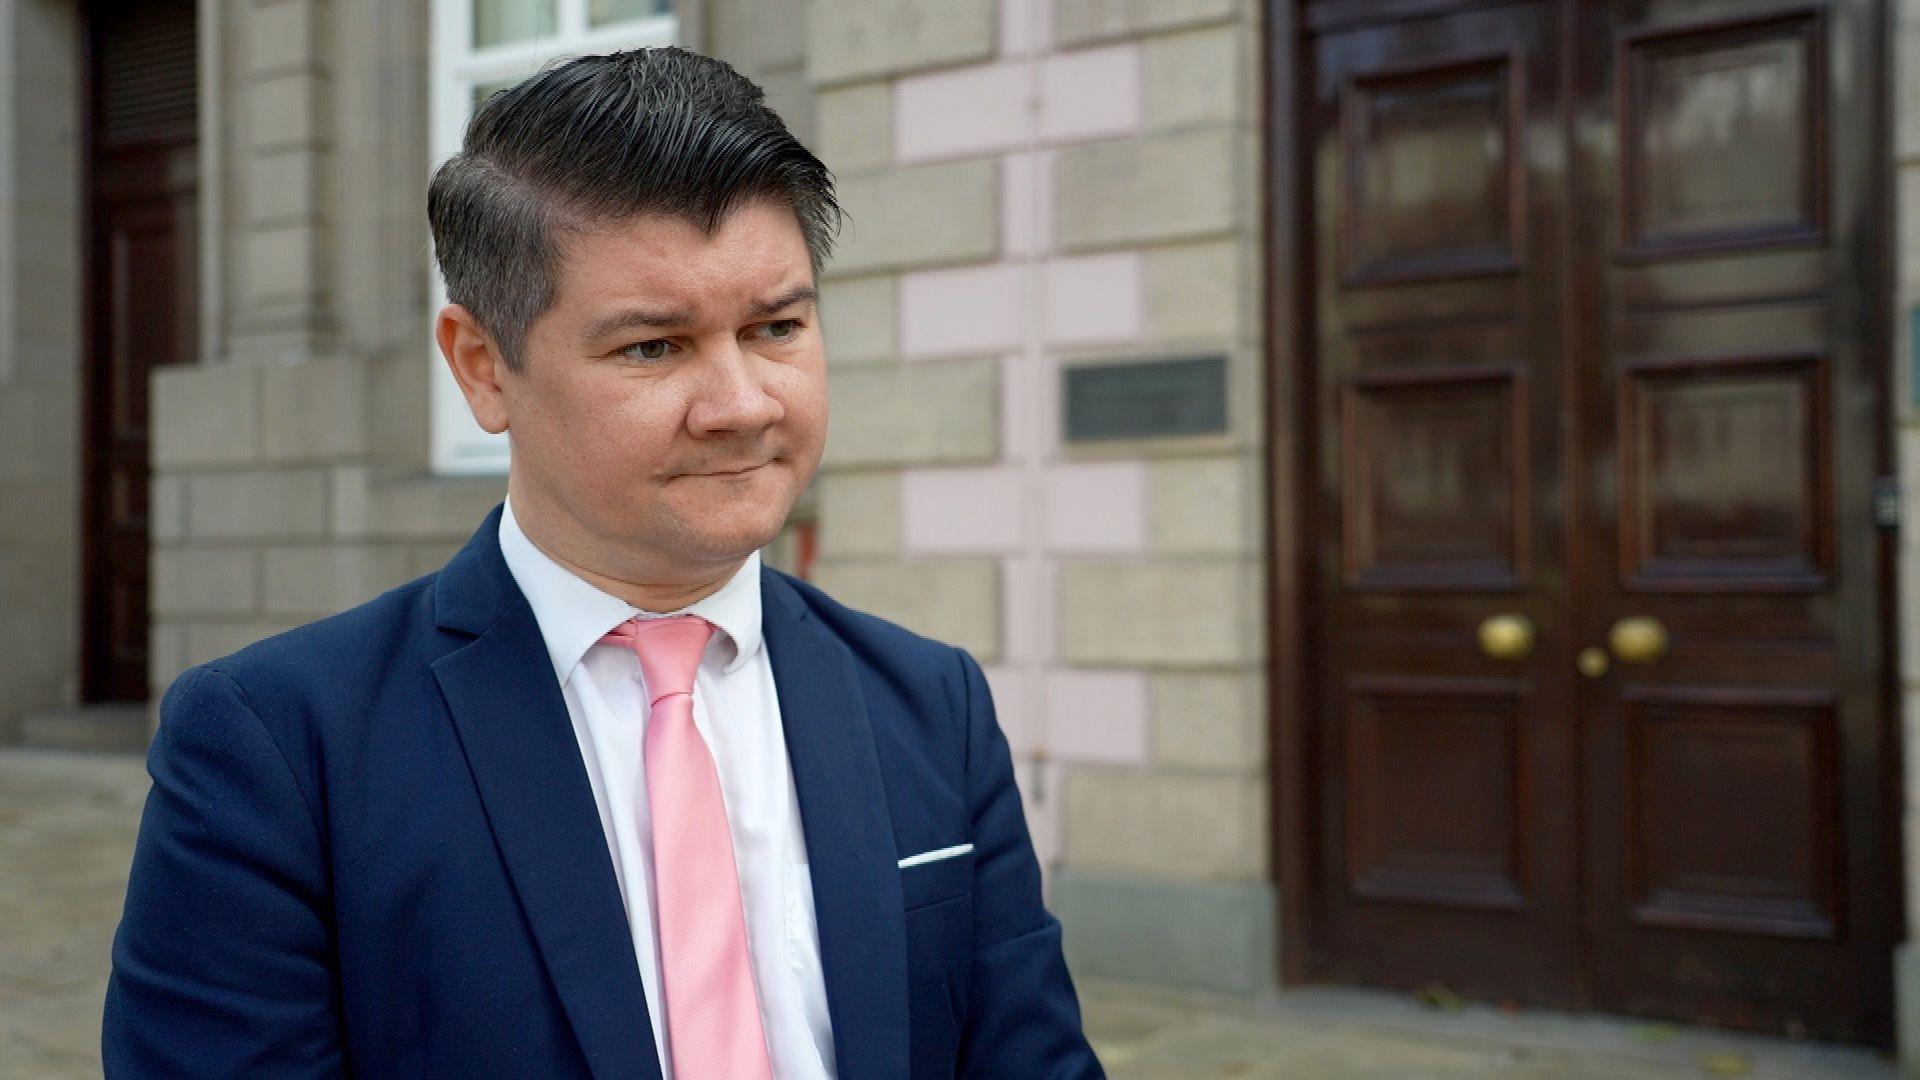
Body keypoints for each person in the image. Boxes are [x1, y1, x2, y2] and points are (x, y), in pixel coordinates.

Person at [102, 46, 1102, 1079]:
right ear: (483, 368)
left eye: (777, 327)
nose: (743, 405)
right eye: (654, 348)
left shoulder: (929, 702)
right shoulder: (278, 748)